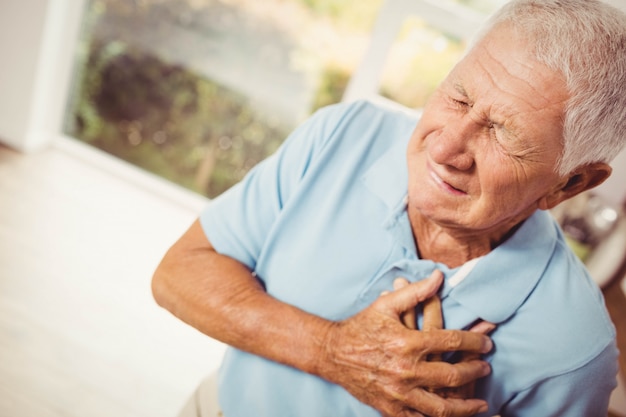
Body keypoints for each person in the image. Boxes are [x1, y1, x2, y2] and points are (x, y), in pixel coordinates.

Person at [152, 0, 626, 415]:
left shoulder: (574, 348)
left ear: (570, 183)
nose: (445, 149)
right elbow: (179, 273)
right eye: (458, 97)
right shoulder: (344, 135)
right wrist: (330, 350)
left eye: (504, 134)